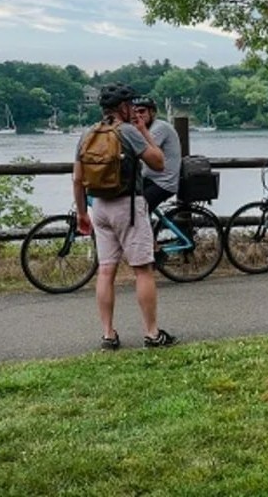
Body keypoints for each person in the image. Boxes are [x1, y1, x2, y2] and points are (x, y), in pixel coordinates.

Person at [72, 83, 177, 350]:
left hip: (99, 208)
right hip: (128, 206)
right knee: (143, 270)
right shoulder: (128, 131)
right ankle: (152, 334)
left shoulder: (88, 134)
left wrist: (82, 212)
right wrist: (143, 131)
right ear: (123, 107)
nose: (134, 109)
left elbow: (77, 177)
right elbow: (158, 162)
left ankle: (108, 334)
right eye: (130, 104)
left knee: (106, 270)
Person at [132, 96, 181, 213]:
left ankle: (145, 231)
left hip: (164, 183)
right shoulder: (145, 129)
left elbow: (141, 149)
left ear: (152, 112)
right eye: (135, 112)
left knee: (138, 211)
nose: (138, 115)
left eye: (142, 111)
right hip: (150, 179)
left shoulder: (159, 128)